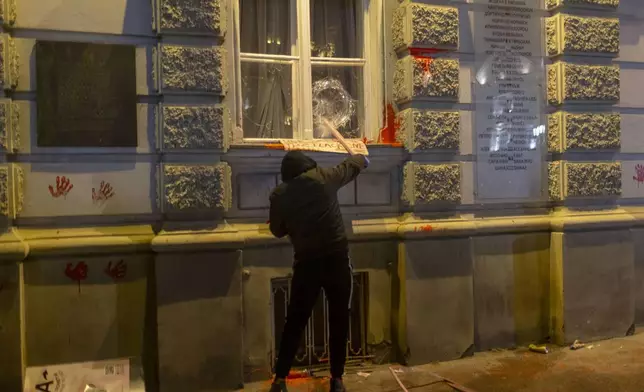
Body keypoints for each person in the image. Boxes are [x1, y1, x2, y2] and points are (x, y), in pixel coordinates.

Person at [268, 150, 369, 392]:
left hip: (307, 263)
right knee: (339, 318)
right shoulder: (324, 177)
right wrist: (362, 158)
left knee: (295, 320)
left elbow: (277, 230)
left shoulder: (279, 195)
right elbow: (350, 166)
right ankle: (336, 379)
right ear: (307, 165)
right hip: (336, 258)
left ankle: (280, 380)